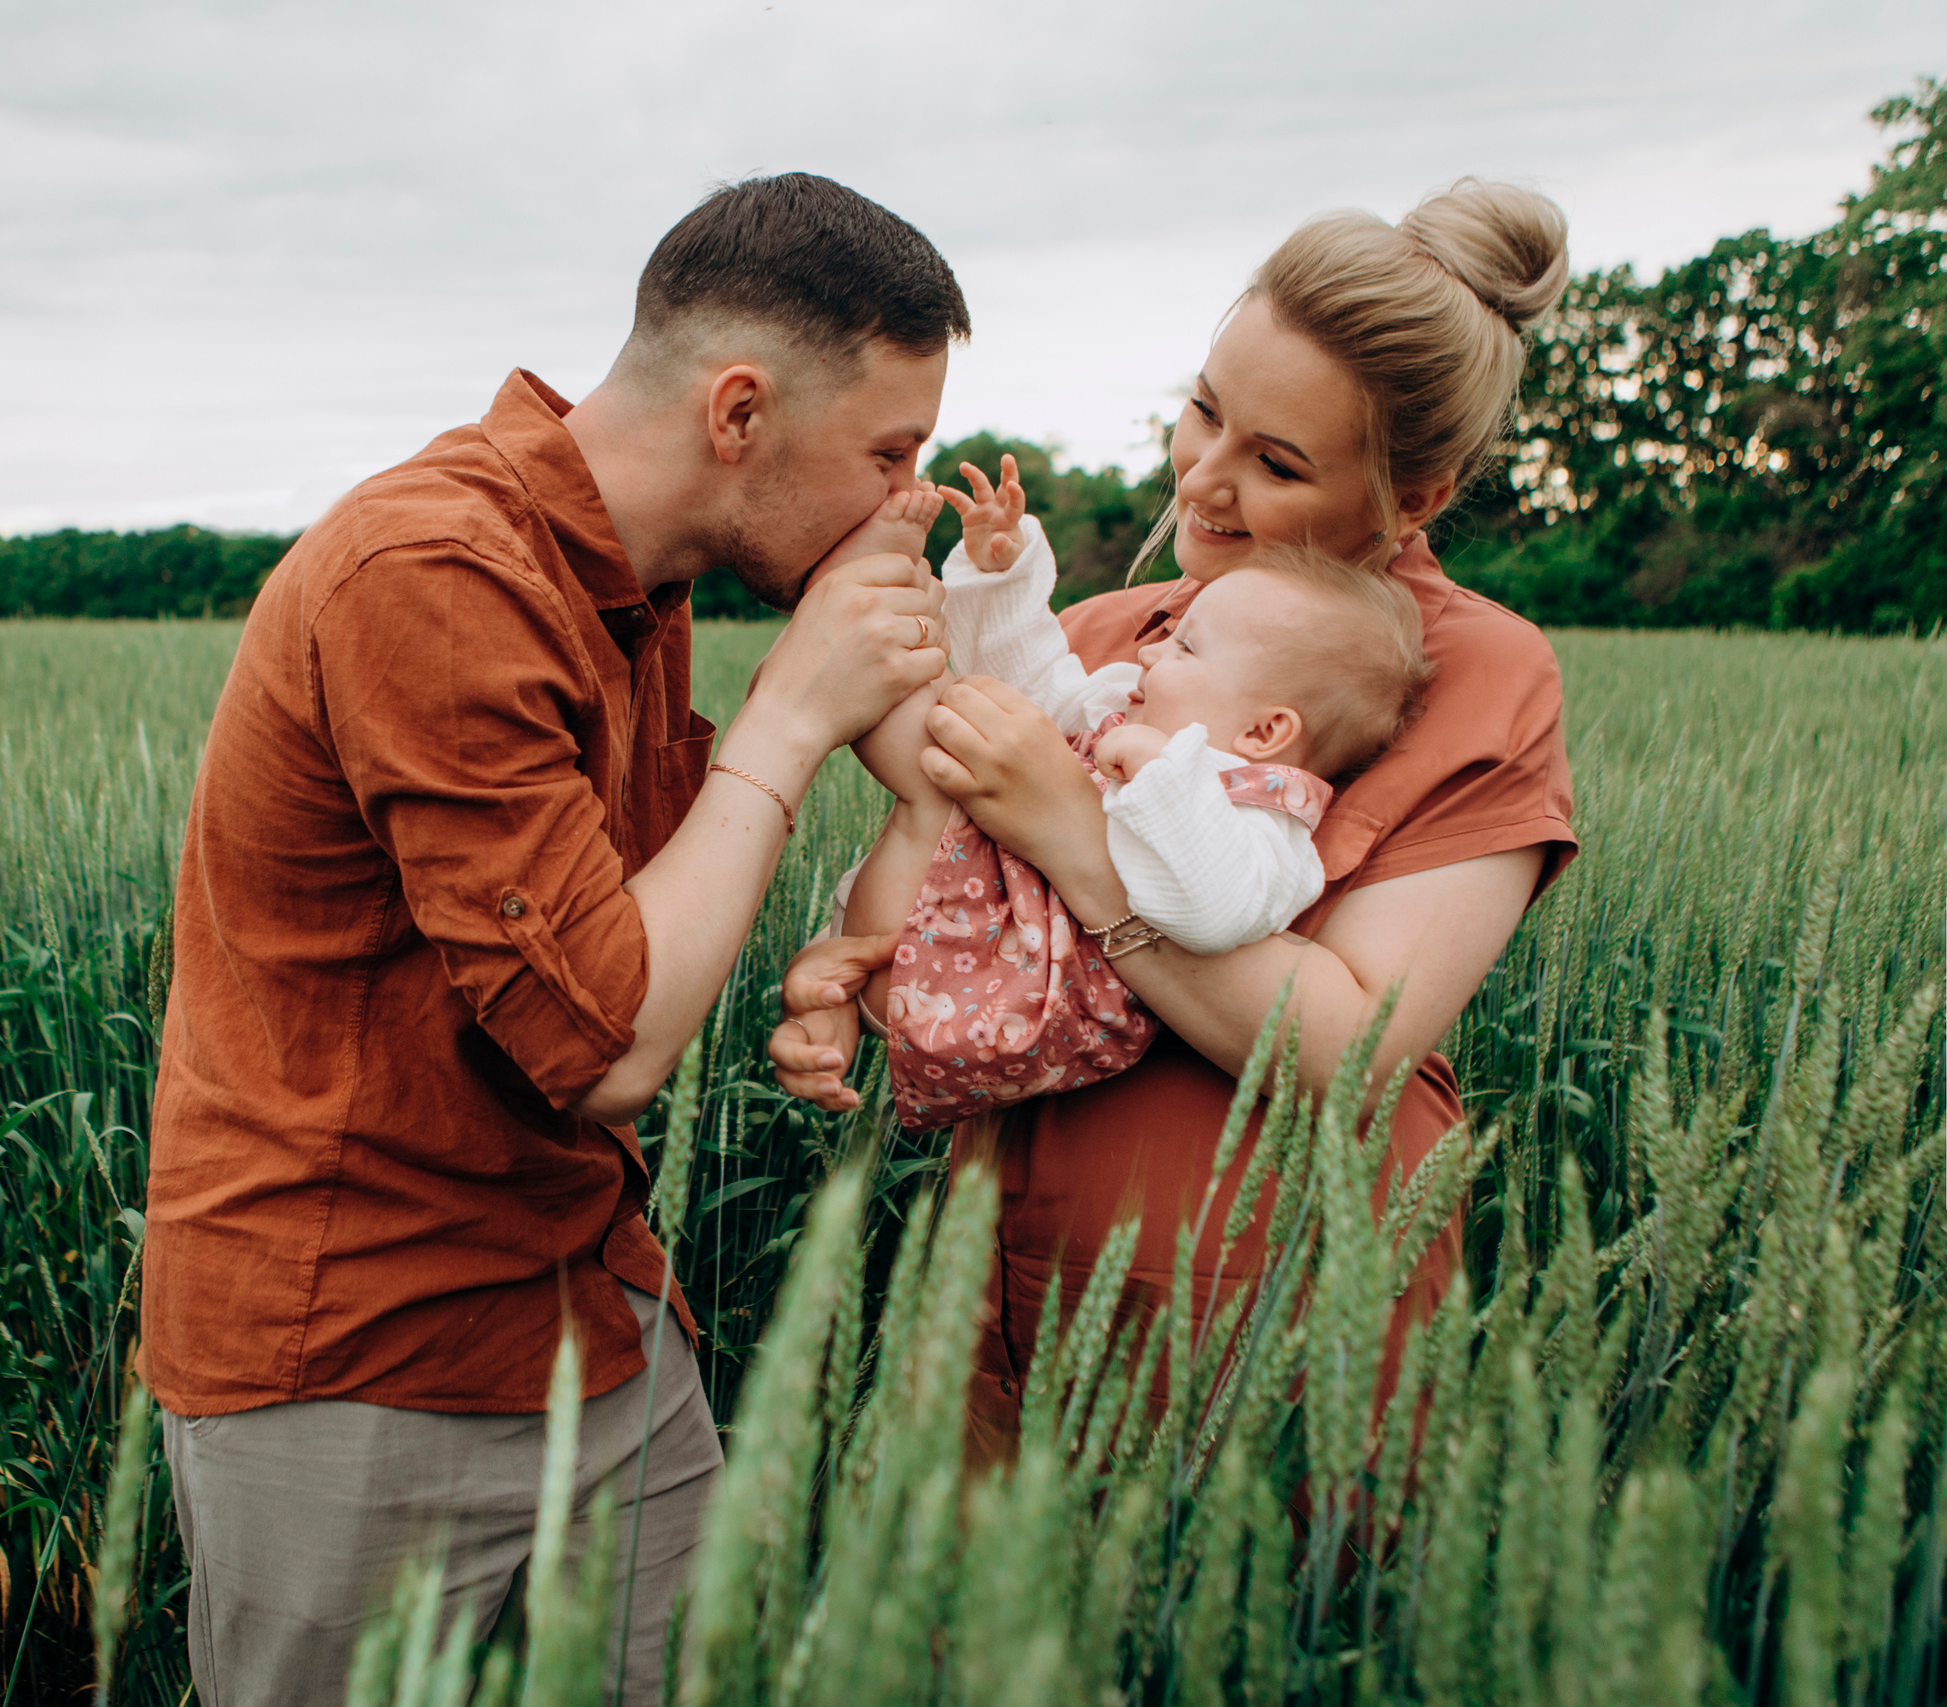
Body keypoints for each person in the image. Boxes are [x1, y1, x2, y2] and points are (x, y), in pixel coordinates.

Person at [141, 173, 965, 1707]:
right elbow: (606, 1043)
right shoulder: (435, 572)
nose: (901, 494)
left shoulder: (642, 586)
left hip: (594, 1302)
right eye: (887, 452)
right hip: (358, 1342)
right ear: (739, 412)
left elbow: (648, 916)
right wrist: (788, 715)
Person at [771, 179, 1578, 1459]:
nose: (1201, 477)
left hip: (1264, 1323)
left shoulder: (1474, 674)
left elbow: (1345, 1051)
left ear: (1411, 495)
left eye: (1276, 462)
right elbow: (936, 880)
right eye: (1204, 409)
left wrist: (1079, 839)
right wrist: (855, 970)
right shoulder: (1099, 635)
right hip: (984, 1286)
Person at [829, 458, 1433, 1132]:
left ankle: (846, 580)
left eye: (1188, 649)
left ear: (1266, 730)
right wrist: (1002, 575)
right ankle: (861, 600)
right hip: (948, 932)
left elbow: (1217, 914)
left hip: (1020, 992)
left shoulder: (1265, 819)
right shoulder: (1134, 711)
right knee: (954, 705)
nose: (1152, 654)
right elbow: (1031, 689)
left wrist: (1162, 780)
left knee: (918, 735)